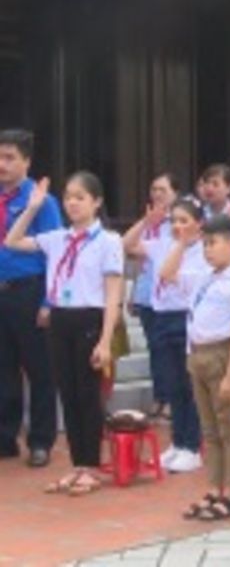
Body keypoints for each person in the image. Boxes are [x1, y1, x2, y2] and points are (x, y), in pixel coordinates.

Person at [5, 172, 124, 494]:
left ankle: (92, 465)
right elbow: (12, 241)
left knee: (87, 394)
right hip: (60, 319)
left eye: (80, 197)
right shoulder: (57, 238)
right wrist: (32, 208)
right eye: (69, 197)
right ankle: (77, 464)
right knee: (68, 395)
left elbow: (113, 293)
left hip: (89, 318)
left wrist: (105, 340)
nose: (72, 203)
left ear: (97, 202)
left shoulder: (108, 241)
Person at [166, 214, 230, 520]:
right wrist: (182, 244)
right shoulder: (204, 277)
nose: (208, 250)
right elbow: (167, 274)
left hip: (222, 353)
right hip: (198, 353)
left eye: (213, 243)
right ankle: (215, 487)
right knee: (210, 428)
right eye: (205, 244)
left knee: (229, 426)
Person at [123, 199, 209, 473]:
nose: (177, 226)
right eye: (174, 221)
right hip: (161, 316)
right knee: (172, 384)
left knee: (188, 385)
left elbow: (170, 275)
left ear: (199, 224)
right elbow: (127, 245)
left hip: (186, 317)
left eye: (184, 221)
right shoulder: (162, 243)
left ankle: (192, 446)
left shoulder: (203, 251)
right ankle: (178, 441)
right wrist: (146, 222)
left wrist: (182, 244)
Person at [0, 129, 60, 467]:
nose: (2, 164)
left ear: (26, 161)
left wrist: (48, 301)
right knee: (3, 368)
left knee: (39, 370)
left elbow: (55, 253)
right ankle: (5, 437)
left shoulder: (42, 202)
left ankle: (40, 440)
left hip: (29, 289)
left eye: (10, 158)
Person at [128, 172, 179, 417]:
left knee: (170, 350)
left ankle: (171, 398)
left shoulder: (178, 222)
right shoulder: (149, 222)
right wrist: (134, 292)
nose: (157, 194)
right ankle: (160, 395)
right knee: (155, 348)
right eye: (154, 189)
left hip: (171, 297)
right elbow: (134, 255)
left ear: (175, 193)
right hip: (147, 292)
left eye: (163, 190)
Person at [200, 163, 230, 230]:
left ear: (229, 188)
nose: (209, 188)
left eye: (215, 184)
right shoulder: (199, 213)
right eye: (207, 183)